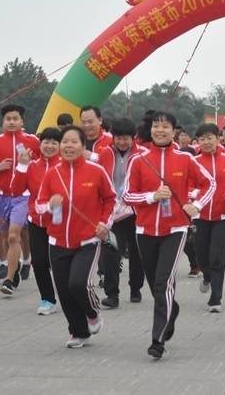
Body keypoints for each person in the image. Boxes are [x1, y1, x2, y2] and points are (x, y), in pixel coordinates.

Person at [123, 111, 216, 359]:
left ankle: (158, 339)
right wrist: (151, 197)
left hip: (175, 229)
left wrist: (196, 205)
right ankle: (171, 308)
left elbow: (210, 184)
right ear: (150, 130)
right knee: (156, 284)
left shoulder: (186, 159)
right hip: (144, 230)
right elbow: (127, 196)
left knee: (163, 282)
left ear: (174, 130)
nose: (160, 130)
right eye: (156, 126)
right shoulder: (139, 160)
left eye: (165, 126)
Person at [36, 125, 115, 348]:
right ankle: (79, 333)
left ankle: (93, 312)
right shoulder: (51, 173)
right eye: (65, 142)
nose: (68, 146)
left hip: (87, 240)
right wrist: (50, 206)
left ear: (83, 146)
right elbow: (38, 205)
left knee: (78, 284)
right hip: (58, 240)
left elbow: (110, 199)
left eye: (74, 142)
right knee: (64, 291)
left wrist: (104, 224)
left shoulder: (96, 171)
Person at [0, 104, 40, 295]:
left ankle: (10, 278)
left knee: (16, 234)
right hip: (1, 195)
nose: (12, 122)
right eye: (8, 119)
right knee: (4, 234)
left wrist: (29, 167)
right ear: (3, 121)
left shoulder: (32, 141)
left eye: (15, 118)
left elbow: (41, 163)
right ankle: (16, 264)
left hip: (23, 196)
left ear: (22, 121)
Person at [10, 127, 62, 315]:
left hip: (60, 222)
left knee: (59, 263)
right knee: (39, 262)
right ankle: (48, 299)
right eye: (46, 142)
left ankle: (69, 296)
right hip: (37, 221)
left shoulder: (64, 166)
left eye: (54, 143)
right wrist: (22, 166)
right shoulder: (31, 165)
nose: (49, 146)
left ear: (60, 145)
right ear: (40, 144)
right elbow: (15, 190)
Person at [95, 118, 146, 308]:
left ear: (133, 138)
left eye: (126, 138)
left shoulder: (142, 154)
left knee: (137, 252)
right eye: (118, 138)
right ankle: (112, 294)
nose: (122, 142)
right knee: (111, 251)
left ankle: (135, 288)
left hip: (136, 210)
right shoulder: (105, 154)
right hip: (112, 211)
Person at [193, 123, 225, 312]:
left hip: (223, 216)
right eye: (202, 139)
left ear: (218, 138)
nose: (206, 142)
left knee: (217, 256)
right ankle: (207, 276)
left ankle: (216, 298)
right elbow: (187, 186)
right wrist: (195, 196)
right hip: (199, 215)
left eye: (209, 137)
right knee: (201, 255)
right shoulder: (193, 162)